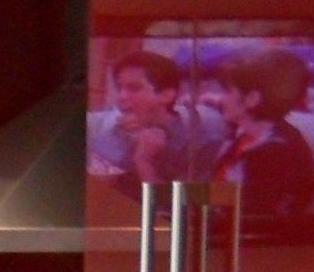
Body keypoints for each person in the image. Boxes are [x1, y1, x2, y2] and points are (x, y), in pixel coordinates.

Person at [211, 49, 314, 221]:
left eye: (227, 91)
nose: (221, 99)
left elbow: (240, 217)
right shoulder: (250, 131)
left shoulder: (276, 155)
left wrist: (176, 196)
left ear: (252, 99)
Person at [87, 48, 222, 185]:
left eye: (134, 88)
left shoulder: (201, 138)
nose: (121, 97)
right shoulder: (108, 129)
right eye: (119, 88)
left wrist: (144, 161)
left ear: (166, 95)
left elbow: (180, 204)